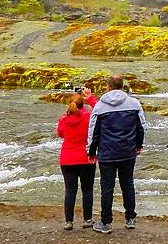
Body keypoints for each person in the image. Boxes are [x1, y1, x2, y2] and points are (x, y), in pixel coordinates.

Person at [86, 73, 145, 233]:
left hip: (107, 153)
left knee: (107, 188)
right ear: (122, 86)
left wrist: (90, 151)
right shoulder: (134, 103)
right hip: (127, 151)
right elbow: (141, 126)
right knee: (128, 185)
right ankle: (130, 218)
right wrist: (138, 145)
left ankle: (106, 222)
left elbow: (93, 131)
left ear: (108, 86)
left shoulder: (100, 106)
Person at [56, 86, 97, 230]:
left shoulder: (63, 120)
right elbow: (100, 110)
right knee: (87, 189)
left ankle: (69, 221)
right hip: (86, 157)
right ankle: (87, 219)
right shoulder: (88, 117)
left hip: (67, 158)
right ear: (83, 104)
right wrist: (90, 98)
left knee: (70, 190)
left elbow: (60, 134)